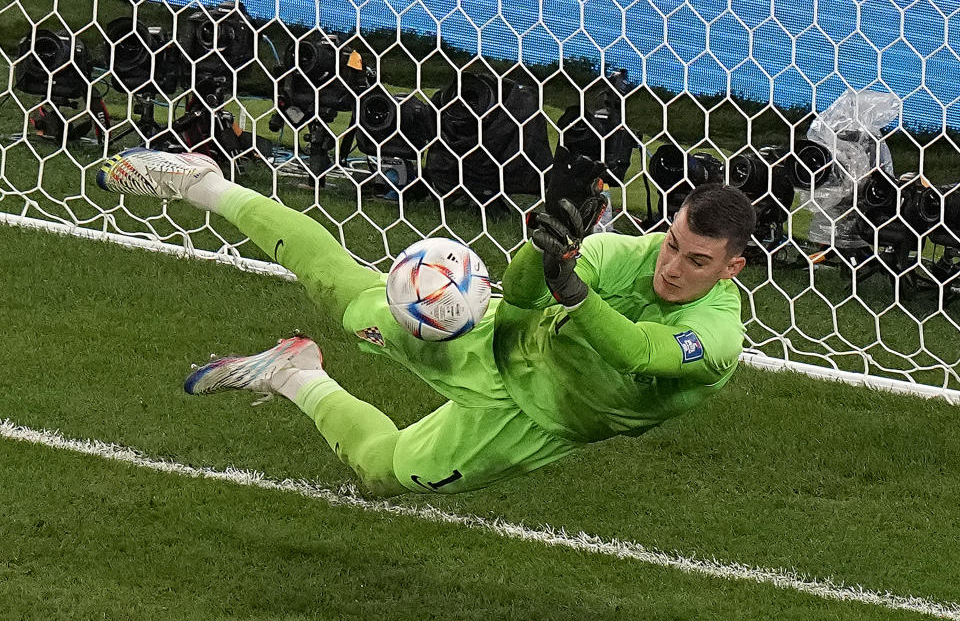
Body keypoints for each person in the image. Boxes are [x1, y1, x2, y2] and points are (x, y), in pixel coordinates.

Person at [97, 146, 756, 497]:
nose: (672, 266)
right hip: (498, 338)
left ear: (732, 268)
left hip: (530, 424)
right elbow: (523, 301)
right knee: (349, 296)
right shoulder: (628, 253)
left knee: (384, 473)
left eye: (697, 261)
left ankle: (295, 376)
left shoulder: (719, 335)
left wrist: (573, 291)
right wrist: (543, 253)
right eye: (672, 243)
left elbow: (641, 353)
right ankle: (204, 185)